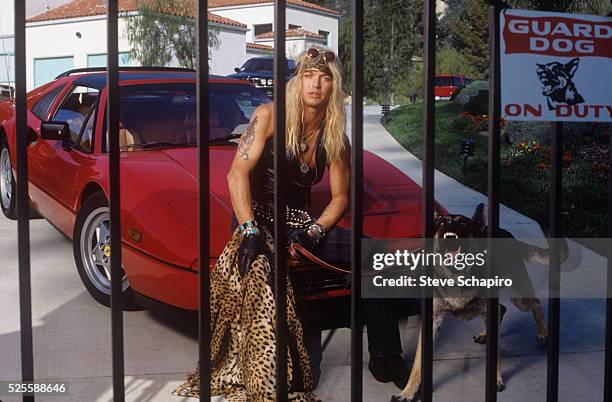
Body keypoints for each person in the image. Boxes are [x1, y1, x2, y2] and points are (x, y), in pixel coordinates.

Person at [172, 47, 408, 401]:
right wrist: (249, 231)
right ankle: (275, 367)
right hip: (255, 219)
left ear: (334, 86)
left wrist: (315, 231)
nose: (316, 84)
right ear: (298, 81)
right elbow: (237, 173)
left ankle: (385, 358)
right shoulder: (269, 116)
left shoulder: (334, 137)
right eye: (309, 76)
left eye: (325, 77)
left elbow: (341, 197)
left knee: (372, 253)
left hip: (299, 224)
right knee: (270, 277)